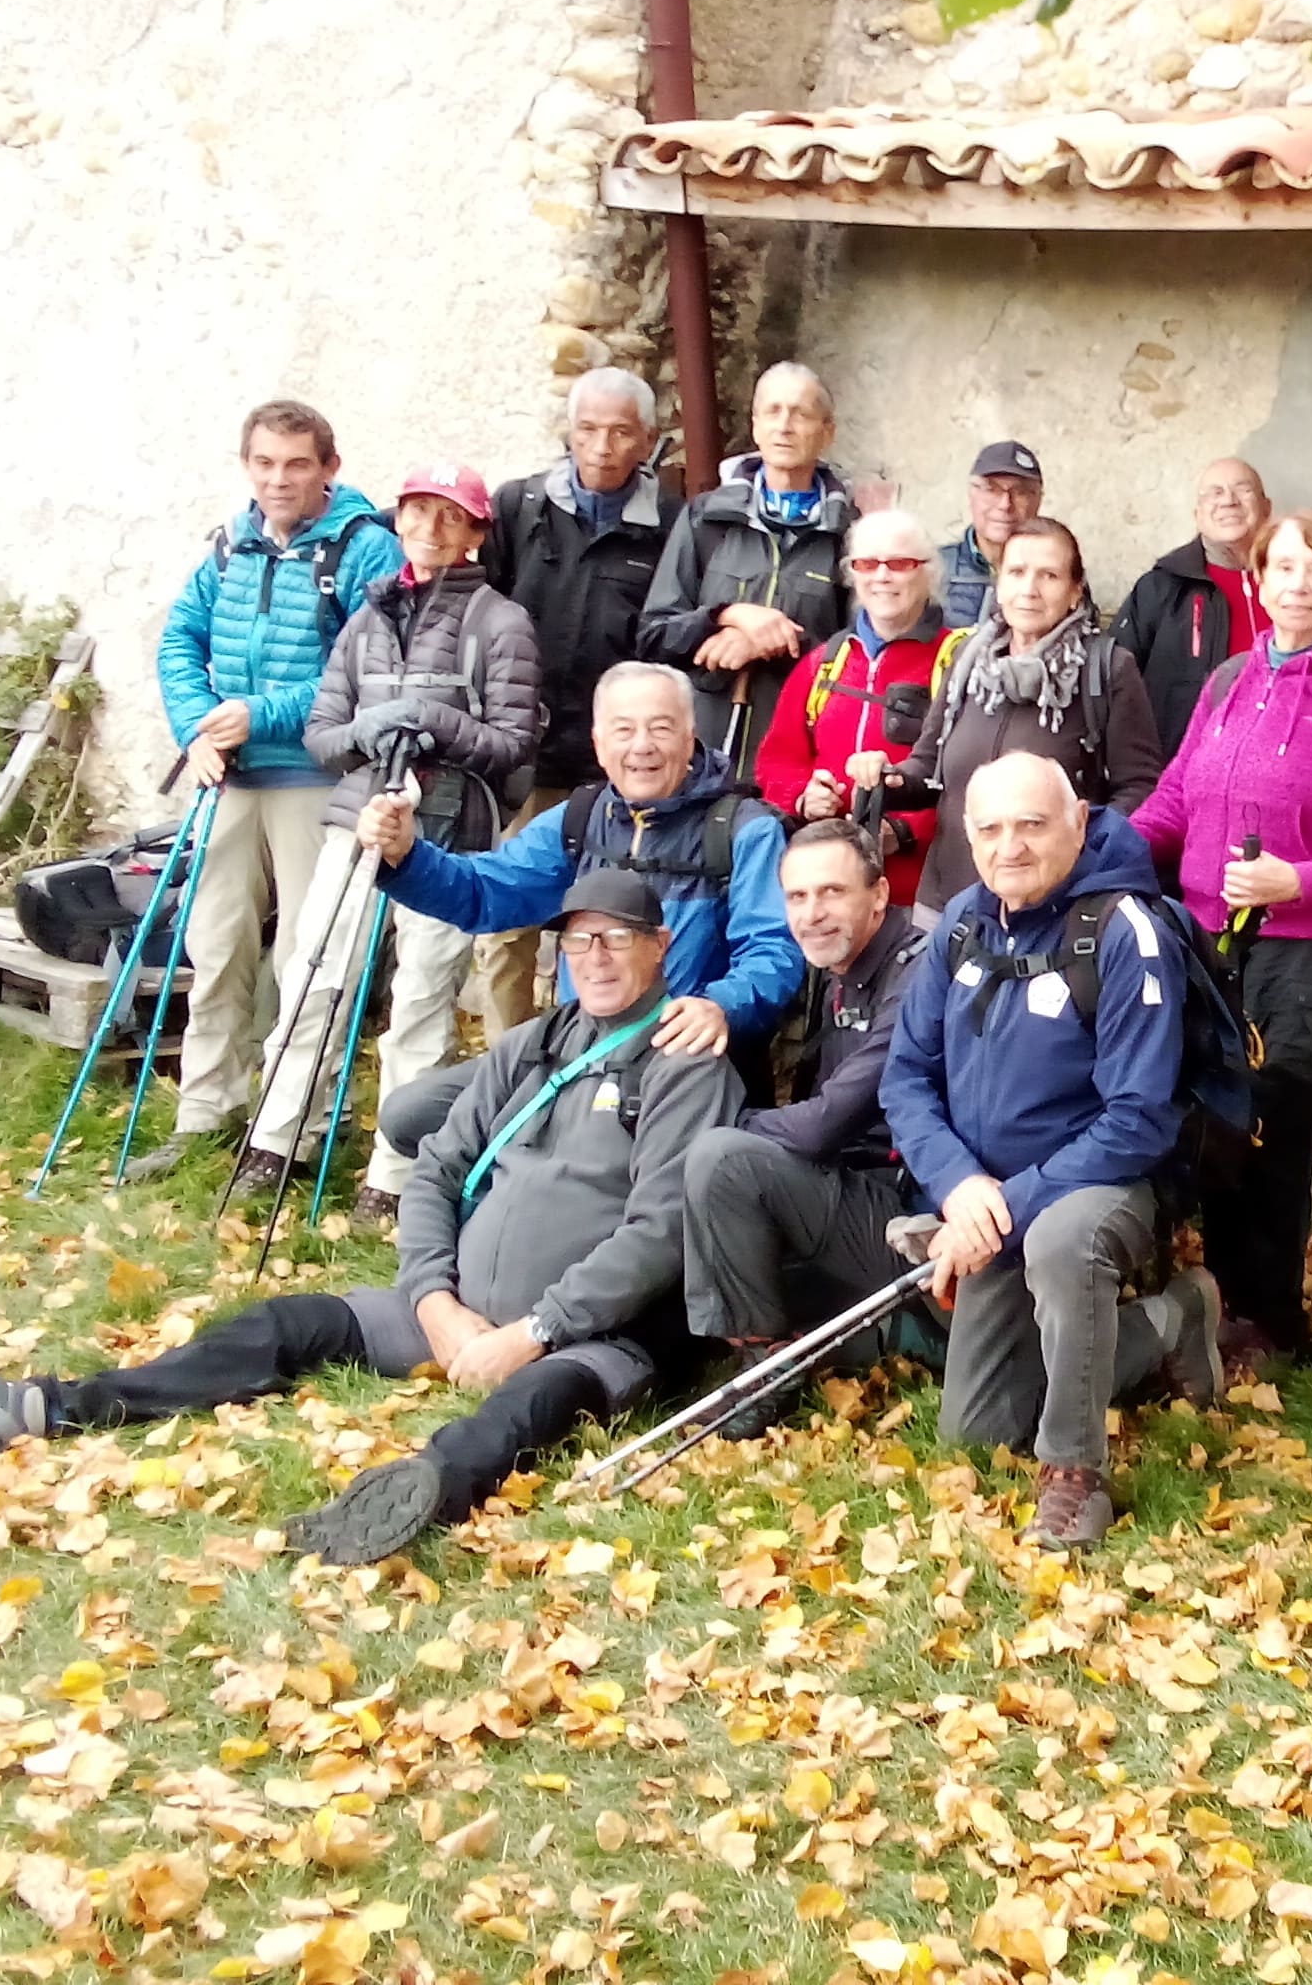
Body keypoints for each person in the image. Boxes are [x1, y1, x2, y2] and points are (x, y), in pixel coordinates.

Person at [0, 868, 744, 1567]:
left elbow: (657, 1233)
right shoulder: (532, 1047)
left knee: (534, 1403)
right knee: (282, 1326)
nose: (594, 957)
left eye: (616, 938)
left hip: (586, 1337)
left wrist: (532, 1333)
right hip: (452, 1313)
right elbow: (437, 1172)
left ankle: (422, 1492)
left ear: (659, 946)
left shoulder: (685, 1064)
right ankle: (41, 1407)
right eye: (578, 939)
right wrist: (433, 1300)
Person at [883, 755, 1226, 1549]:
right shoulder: (962, 925)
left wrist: (1008, 1206)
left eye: (1033, 825)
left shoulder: (1125, 930)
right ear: (968, 837)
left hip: (1104, 1184)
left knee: (1063, 1245)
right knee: (977, 1431)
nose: (1011, 846)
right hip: (991, 1200)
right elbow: (905, 1078)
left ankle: (1075, 1475)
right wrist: (960, 1187)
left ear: (1077, 823)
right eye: (991, 829)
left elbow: (1139, 1119)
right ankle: (1171, 1321)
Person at [1130, 512, 1312, 1369]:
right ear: (1256, 581)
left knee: (1270, 1130)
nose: (1298, 584)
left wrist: (1296, 881)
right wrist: (1088, 849)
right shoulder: (1230, 678)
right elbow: (1175, 801)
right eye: (1283, 567)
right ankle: (1216, 1302)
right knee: (1215, 1121)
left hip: (1305, 949)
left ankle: (1270, 1322)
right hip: (1207, 940)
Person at [232, 464, 542, 1216]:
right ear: (397, 520)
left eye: (450, 516)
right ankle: (278, 1141)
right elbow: (322, 736)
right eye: (417, 511)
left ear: (475, 533)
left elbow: (514, 745)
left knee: (422, 998)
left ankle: (398, 1174)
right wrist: (365, 732)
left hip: (448, 834)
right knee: (315, 976)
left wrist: (435, 722)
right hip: (358, 820)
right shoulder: (368, 618)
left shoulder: (501, 622)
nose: (430, 529)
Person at [357, 662, 803, 1135]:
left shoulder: (744, 830)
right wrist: (405, 856)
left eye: (660, 728)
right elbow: (483, 893)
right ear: (599, 743)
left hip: (682, 1060)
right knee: (412, 1115)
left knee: (596, 1152)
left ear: (690, 735)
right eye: (624, 730)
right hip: (577, 1049)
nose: (642, 746)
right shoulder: (581, 819)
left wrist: (720, 1006)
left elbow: (774, 951)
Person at [136, 401, 400, 1177]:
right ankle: (206, 1111)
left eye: (296, 464)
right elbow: (179, 640)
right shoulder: (231, 544)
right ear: (246, 465)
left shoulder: (365, 548)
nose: (278, 479)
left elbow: (368, 668)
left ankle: (297, 1125)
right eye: (264, 463)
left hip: (318, 775)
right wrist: (197, 727)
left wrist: (260, 714)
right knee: (215, 945)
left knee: (305, 959)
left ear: (329, 468)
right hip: (230, 772)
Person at [672, 819, 938, 1433]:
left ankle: (767, 1371)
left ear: (879, 894)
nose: (812, 913)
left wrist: (730, 1127)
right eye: (797, 896)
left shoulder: (918, 972)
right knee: (707, 1240)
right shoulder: (841, 968)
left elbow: (826, 1124)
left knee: (720, 1160)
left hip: (913, 1221)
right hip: (853, 1193)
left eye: (832, 892)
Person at [474, 367, 683, 1037]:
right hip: (527, 758)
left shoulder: (671, 523)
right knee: (509, 923)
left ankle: (593, 1054)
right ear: (568, 431)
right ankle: (510, 1059)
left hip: (619, 765)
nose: (601, 446)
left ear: (647, 440)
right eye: (588, 429)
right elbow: (478, 610)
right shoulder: (521, 507)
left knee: (610, 922)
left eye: (620, 432)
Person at [855, 518, 1162, 911]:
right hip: (949, 903)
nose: (1029, 589)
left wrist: (1081, 852)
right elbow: (929, 765)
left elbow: (1139, 788)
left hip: (1054, 907)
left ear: (1075, 592)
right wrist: (890, 777)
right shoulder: (967, 659)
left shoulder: (1107, 670)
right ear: (999, 585)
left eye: (1049, 575)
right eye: (1017, 572)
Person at [638, 363, 854, 779]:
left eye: (801, 413)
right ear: (755, 427)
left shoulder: (848, 533)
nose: (784, 426)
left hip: (796, 765)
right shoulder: (707, 519)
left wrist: (772, 642)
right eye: (772, 411)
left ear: (827, 432)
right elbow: (654, 635)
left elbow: (858, 662)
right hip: (698, 760)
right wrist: (727, 616)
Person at [754, 510, 960, 906]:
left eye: (899, 564)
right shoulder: (822, 664)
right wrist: (803, 797)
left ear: (929, 573)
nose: (882, 576)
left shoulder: (956, 662)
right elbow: (775, 762)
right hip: (828, 893)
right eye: (867, 564)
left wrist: (903, 831)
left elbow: (968, 778)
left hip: (917, 896)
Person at [1112, 457, 1274, 756]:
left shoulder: (1289, 584)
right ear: (1198, 515)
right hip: (1177, 764)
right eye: (1215, 492)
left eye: (1243, 489)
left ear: (1266, 508)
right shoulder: (1160, 587)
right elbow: (1115, 682)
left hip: (1272, 759)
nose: (1228, 501)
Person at [939, 441, 1048, 630]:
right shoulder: (934, 569)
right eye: (991, 490)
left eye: (1020, 492)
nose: (1005, 504)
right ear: (971, 495)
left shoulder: (1056, 572)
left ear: (1038, 500)